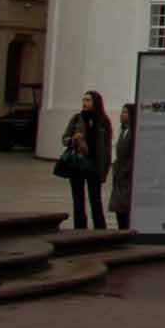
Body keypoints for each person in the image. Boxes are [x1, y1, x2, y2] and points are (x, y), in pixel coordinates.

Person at [61, 90, 112, 230]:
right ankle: (80, 229)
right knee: (78, 200)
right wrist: (73, 140)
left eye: (88, 100)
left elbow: (107, 148)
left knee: (96, 200)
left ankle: (100, 230)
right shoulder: (77, 118)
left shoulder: (103, 121)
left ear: (95, 102)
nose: (85, 103)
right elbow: (64, 139)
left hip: (94, 165)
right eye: (83, 100)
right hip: (78, 164)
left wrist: (105, 169)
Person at [110, 103, 137, 230]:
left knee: (123, 207)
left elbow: (132, 154)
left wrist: (125, 170)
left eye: (125, 112)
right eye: (122, 112)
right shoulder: (124, 131)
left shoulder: (133, 133)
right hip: (119, 174)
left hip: (125, 175)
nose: (122, 115)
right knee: (119, 207)